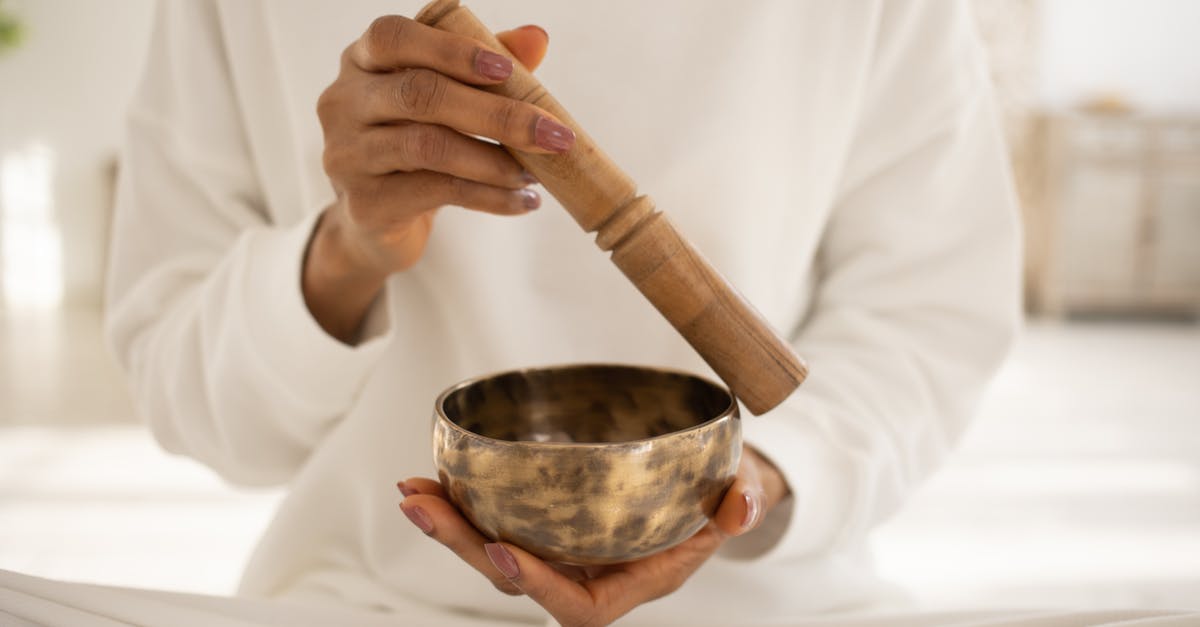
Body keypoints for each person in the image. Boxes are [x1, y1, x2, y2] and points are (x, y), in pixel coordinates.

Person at [13, 1, 1141, 626]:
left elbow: (926, 318)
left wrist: (753, 492)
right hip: (367, 597)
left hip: (772, 607)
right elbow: (181, 380)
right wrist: (347, 249)